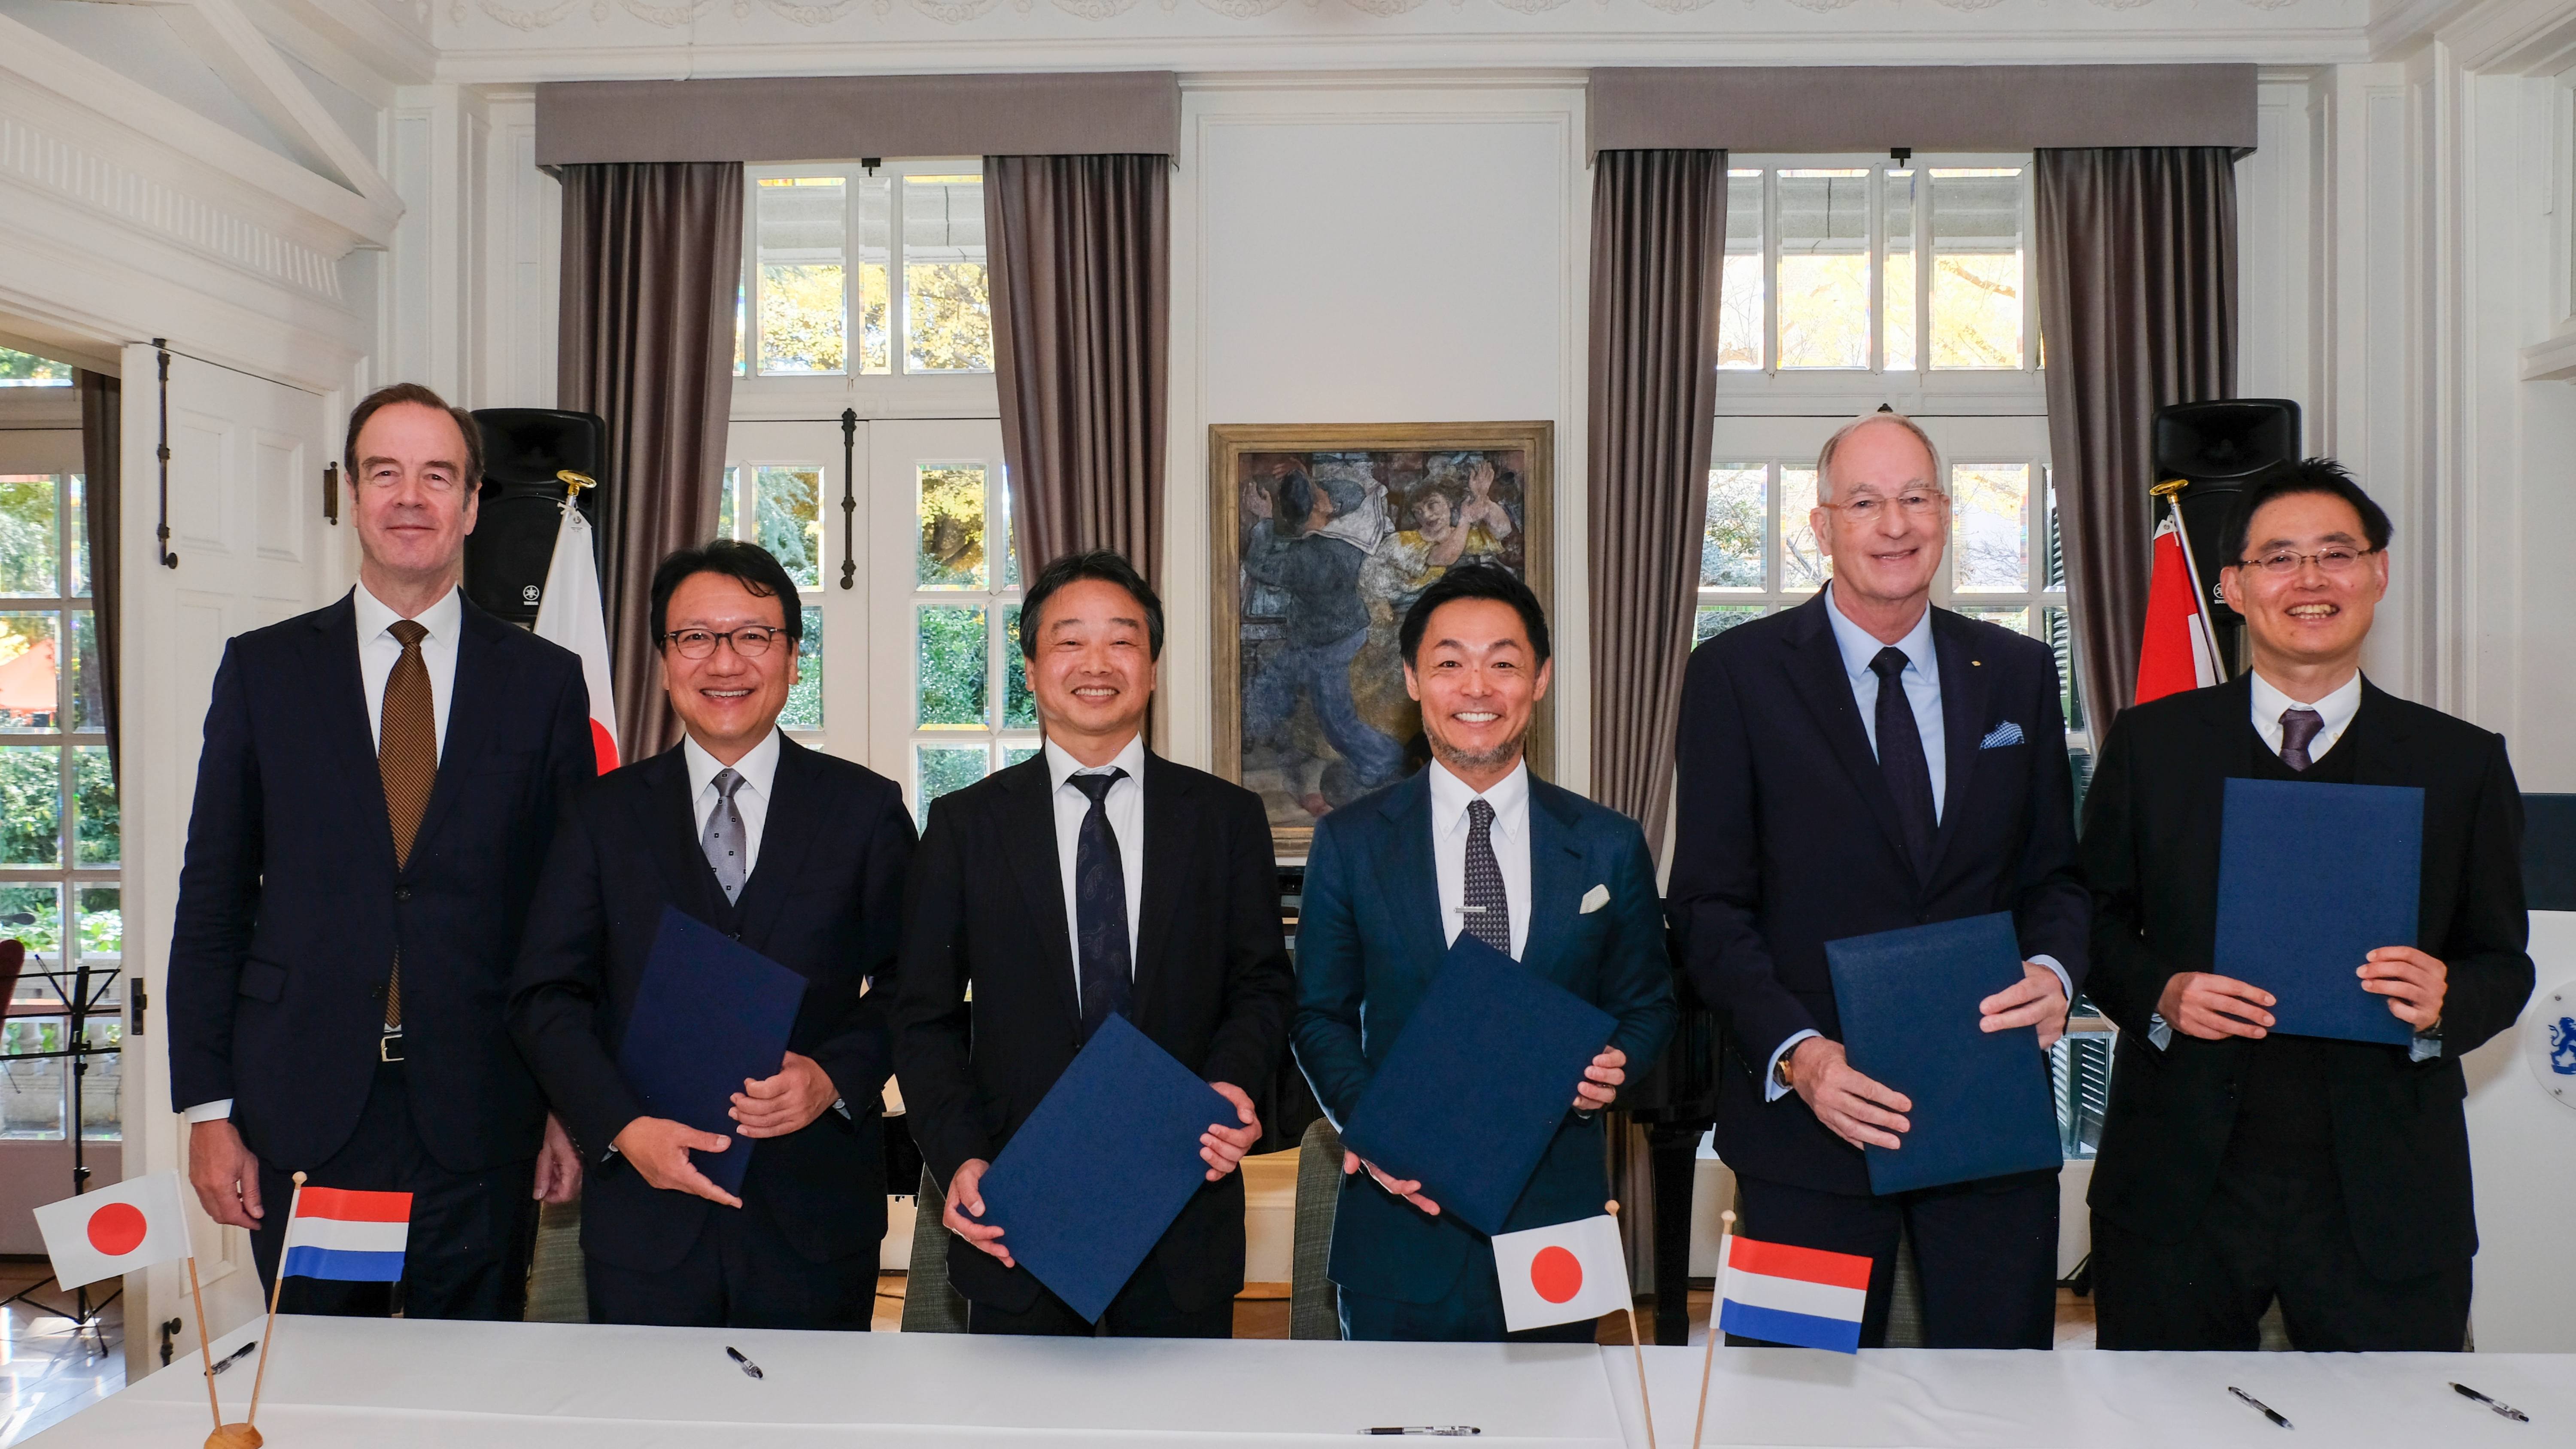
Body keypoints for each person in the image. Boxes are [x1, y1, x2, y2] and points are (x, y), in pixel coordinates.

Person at [2081, 460, 2531, 1351]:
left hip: (2387, 1193)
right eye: (2280, 558)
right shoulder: (2151, 746)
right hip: (2181, 1184)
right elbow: (2089, 921)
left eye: (2337, 554)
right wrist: (2162, 991)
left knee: (2392, 1419)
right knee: (2162, 1417)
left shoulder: (2461, 761)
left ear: (2379, 573)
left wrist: (2447, 998)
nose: (2311, 579)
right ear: (2234, 587)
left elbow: (2503, 961)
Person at [165, 383, 591, 1318]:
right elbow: (213, 903)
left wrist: (570, 1099)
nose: (410, 497)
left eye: (437, 476)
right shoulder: (264, 671)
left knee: (470, 1380)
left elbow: (568, 916)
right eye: (385, 473)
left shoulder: (545, 683)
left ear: (471, 504)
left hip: (484, 1113)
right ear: (352, 495)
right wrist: (208, 1109)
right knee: (322, 1377)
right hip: (307, 1112)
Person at [1668, 412, 2087, 1349]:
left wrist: (2056, 971)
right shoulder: (1734, 674)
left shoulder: (2017, 671)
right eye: (1864, 503)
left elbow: (2056, 875)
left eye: (1914, 498)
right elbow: (1707, 905)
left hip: (1987, 1119)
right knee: (1793, 1396)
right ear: (1822, 525)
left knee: (1998, 1400)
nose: (1894, 525)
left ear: (1944, 514)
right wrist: (1800, 1054)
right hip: (1807, 1133)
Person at [507, 541, 912, 1330]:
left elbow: (914, 985)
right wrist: (622, 1128)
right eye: (696, 637)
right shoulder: (599, 817)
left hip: (815, 1218)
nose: (725, 662)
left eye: (753, 636)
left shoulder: (865, 810)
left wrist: (832, 1076)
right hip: (645, 1216)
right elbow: (545, 997)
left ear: (792, 658)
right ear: (664, 663)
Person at [892, 550, 1295, 1337]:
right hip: (1018, 1203)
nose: (1097, 664)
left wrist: (1230, 1085)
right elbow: (922, 1017)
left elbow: (1261, 985)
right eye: (1070, 641)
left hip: (1183, 1190)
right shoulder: (966, 826)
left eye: (1122, 641)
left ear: (1152, 667)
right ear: (1033, 668)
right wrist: (961, 1157)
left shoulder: (1225, 819)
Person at [1292, 563, 1676, 1342]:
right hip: (1401, 1213)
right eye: (1450, 663)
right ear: (1412, 680)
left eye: (1503, 663)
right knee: (1392, 1412)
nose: (1477, 687)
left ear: (1540, 680)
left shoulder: (1608, 844)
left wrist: (1619, 1064)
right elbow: (1318, 1015)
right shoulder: (1350, 842)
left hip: (1555, 1220)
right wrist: (1373, 1128)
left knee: (1560, 1408)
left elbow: (1648, 1005)